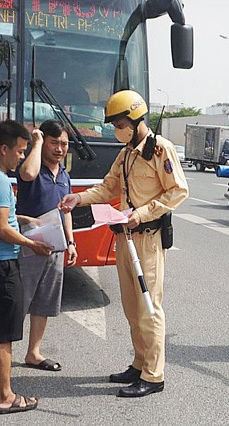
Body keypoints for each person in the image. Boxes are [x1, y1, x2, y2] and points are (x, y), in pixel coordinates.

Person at [59, 90, 188, 398]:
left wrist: (143, 213)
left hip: (148, 239)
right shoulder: (127, 153)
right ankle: (140, 362)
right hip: (124, 239)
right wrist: (79, 198)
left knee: (149, 308)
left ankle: (154, 376)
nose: (116, 129)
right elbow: (107, 188)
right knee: (132, 308)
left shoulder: (160, 150)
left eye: (118, 123)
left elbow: (178, 191)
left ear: (134, 119)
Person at [0, 120, 52, 415]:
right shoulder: (0, 181)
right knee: (5, 334)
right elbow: (2, 229)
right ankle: (5, 396)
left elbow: (2, 218)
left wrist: (27, 220)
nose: (21, 157)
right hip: (0, 267)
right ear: (4, 149)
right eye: (19, 151)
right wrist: (33, 245)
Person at [16, 119, 77, 372]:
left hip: (56, 245)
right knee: (19, 301)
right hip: (28, 243)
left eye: (64, 144)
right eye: (54, 143)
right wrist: (37, 141)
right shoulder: (32, 165)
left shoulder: (64, 175)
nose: (60, 149)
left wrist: (71, 241)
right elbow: (27, 174)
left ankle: (34, 353)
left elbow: (66, 211)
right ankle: (3, 353)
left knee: (44, 301)